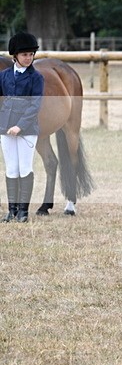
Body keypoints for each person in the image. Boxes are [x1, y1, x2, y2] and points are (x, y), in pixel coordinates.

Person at [1, 31, 44, 223]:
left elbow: (35, 105)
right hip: (5, 127)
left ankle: (24, 212)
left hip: (27, 129)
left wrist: (20, 126)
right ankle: (12, 210)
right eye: (25, 54)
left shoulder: (37, 78)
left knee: (24, 168)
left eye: (31, 54)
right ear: (15, 55)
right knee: (11, 169)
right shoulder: (3, 76)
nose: (29, 58)